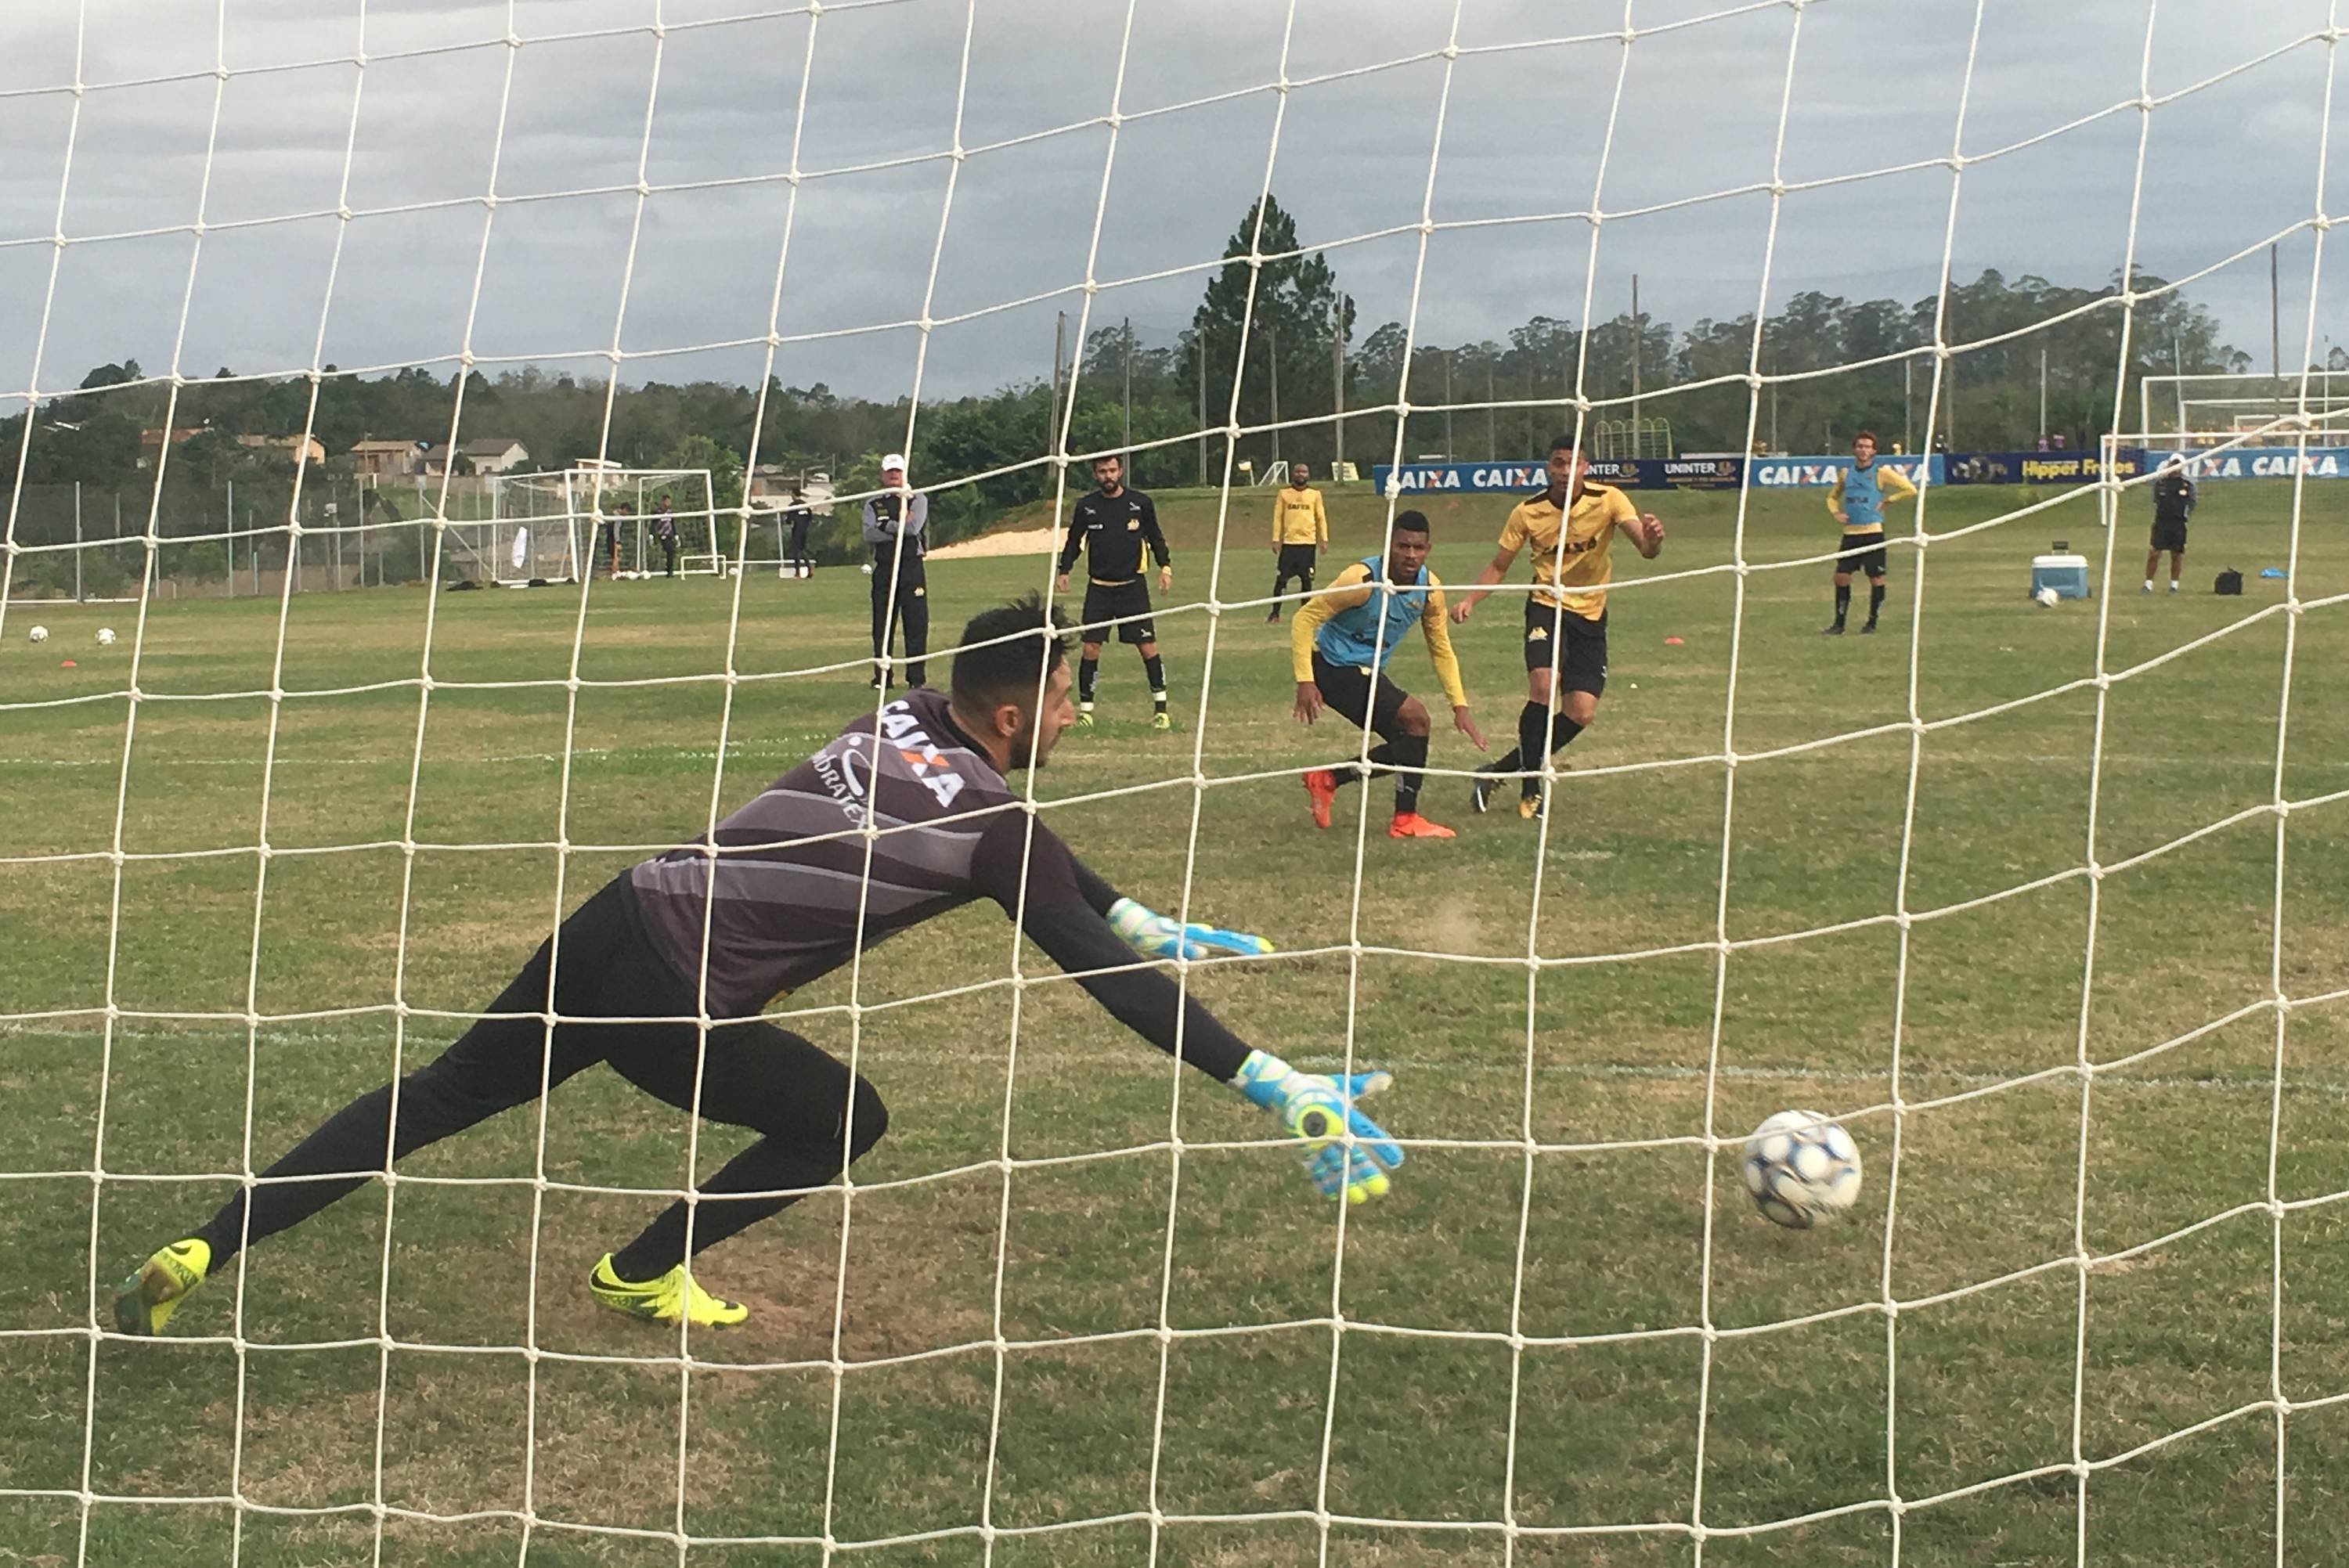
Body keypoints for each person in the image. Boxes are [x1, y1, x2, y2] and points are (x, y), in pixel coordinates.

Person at [111, 595, 1404, 1339]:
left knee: (440, 1093)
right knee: (848, 1116)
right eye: (1067, 698)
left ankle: (201, 1246)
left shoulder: (902, 711)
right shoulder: (992, 825)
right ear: (1016, 713)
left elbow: (1038, 861)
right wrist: (1270, 1076)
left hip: (619, 911)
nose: (1074, 714)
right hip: (677, 998)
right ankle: (642, 1267)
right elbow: (1094, 970)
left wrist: (1132, 910)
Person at [1454, 436, 1665, 820]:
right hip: (1547, 606)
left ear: (1586, 467)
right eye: (1558, 463)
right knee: (1544, 684)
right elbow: (1499, 565)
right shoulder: (1527, 511)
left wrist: (1653, 540)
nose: (1566, 471)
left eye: (1574, 463)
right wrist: (1470, 599)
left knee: (1580, 712)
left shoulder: (1609, 500)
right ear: (1548, 468)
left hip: (1591, 615)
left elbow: (1646, 550)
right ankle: (1532, 787)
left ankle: (1497, 771)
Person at [1294, 510, 1484, 840]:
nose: (1410, 555)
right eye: (1402, 546)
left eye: (1418, 548)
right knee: (1417, 719)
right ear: (1389, 545)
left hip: (1366, 672)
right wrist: (1306, 680)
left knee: (1409, 741)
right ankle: (1404, 820)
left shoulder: (1430, 590)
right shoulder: (1361, 580)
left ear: (1428, 550)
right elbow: (1303, 619)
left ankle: (1328, 780)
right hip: (1331, 667)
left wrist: (1460, 705)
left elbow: (1440, 648)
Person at [1055, 453, 1174, 730]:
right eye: (1102, 471)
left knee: (1147, 647)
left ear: (1120, 471)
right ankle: (1086, 712)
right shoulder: (1087, 506)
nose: (1107, 476)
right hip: (1099, 590)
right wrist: (1064, 569)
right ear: (1095, 475)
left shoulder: (1140, 503)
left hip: (1133, 589)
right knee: (1090, 648)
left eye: (1112, 470)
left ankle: (1161, 709)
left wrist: (1165, 567)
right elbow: (1074, 541)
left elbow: (1155, 536)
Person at [1820, 431, 1915, 636]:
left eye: (1867, 447)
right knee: (1841, 577)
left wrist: (1889, 500)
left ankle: (1872, 622)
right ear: (1855, 449)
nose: (1863, 450)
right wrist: (1835, 512)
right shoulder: (1846, 473)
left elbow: (1909, 489)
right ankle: (1839, 623)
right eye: (1860, 446)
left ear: (1874, 451)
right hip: (1851, 534)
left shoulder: (1881, 472)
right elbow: (1832, 497)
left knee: (1876, 578)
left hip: (1873, 533)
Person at [863, 453, 929, 688]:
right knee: (882, 624)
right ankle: (882, 678)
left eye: (897, 471)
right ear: (882, 474)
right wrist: (898, 525)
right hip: (885, 567)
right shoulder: (873, 503)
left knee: (916, 624)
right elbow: (870, 534)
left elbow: (912, 529)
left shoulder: (917, 499)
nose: (894, 475)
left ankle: (916, 679)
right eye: (890, 471)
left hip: (911, 567)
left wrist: (885, 524)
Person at [1268, 461, 1330, 622]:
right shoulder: (1284, 494)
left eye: (1304, 472)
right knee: (1281, 580)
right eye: (1298, 472)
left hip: (1308, 544)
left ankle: (1304, 615)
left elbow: (1321, 518)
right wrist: (1276, 539)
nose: (1300, 474)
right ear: (1293, 474)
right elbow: (1277, 517)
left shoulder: (1315, 495)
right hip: (1290, 544)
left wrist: (1324, 539)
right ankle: (1275, 614)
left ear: (1308, 475)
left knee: (1307, 581)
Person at [2145, 456, 2196, 593]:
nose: (2175, 467)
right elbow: (2156, 499)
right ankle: (2148, 584)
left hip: (2178, 523)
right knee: (2155, 553)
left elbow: (2192, 502)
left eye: (2178, 464)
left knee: (2177, 555)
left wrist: (2184, 515)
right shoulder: (2161, 482)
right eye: (2173, 464)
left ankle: (2174, 585)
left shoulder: (2187, 484)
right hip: (2162, 522)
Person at [784, 488, 815, 579]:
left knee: (796, 551)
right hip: (805, 530)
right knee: (803, 550)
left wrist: (788, 521)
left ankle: (798, 573)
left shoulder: (793, 506)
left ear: (794, 494)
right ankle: (809, 569)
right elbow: (810, 517)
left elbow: (789, 520)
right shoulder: (806, 505)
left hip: (797, 530)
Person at [651, 492, 680, 579]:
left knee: (671, 552)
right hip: (662, 535)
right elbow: (653, 524)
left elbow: (672, 524)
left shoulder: (670, 512)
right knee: (670, 550)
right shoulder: (657, 512)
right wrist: (652, 535)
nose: (669, 503)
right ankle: (669, 571)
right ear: (663, 502)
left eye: (669, 502)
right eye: (667, 502)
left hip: (670, 535)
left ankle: (669, 569)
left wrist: (676, 535)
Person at [605, 500, 633, 578]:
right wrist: (617, 541)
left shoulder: (613, 514)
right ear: (624, 509)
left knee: (615, 557)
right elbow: (616, 529)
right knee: (616, 557)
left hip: (610, 537)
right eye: (627, 511)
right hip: (613, 539)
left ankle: (616, 572)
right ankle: (615, 573)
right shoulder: (617, 517)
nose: (627, 514)